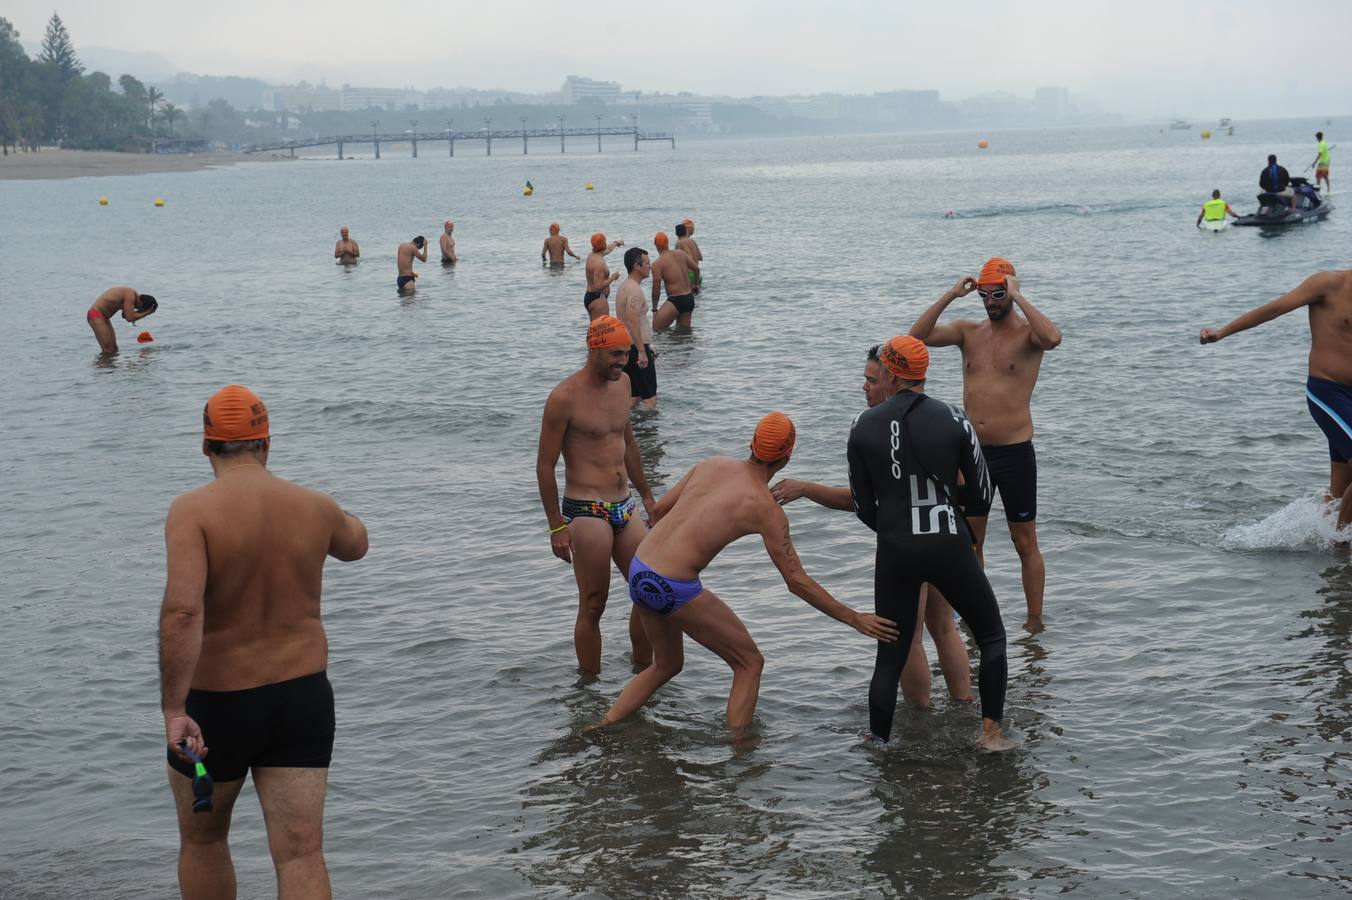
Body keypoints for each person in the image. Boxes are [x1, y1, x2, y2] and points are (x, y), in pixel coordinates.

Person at [160, 385, 369, 900]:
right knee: (301, 853)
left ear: (206, 446)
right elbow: (357, 544)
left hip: (218, 707)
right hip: (301, 698)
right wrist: (328, 515)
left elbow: (184, 612)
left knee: (205, 841)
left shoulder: (192, 511)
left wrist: (173, 708)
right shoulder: (313, 506)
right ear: (267, 443)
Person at [599, 412, 899, 733]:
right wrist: (854, 618)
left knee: (666, 665)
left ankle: (600, 728)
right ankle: (740, 759)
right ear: (787, 457)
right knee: (749, 663)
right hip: (673, 585)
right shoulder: (766, 509)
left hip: (640, 567)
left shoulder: (710, 464)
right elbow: (797, 581)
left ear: (751, 443)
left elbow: (657, 512)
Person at [771, 342, 973, 707]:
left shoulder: (879, 430)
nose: (864, 387)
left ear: (891, 381)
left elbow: (863, 503)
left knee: (907, 637)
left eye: (871, 380)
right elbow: (963, 483)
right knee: (944, 627)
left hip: (908, 545)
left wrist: (806, 488)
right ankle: (965, 705)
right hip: (945, 536)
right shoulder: (937, 419)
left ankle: (919, 718)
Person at [847, 336, 1016, 751]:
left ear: (889, 373)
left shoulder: (862, 426)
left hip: (895, 550)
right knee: (991, 636)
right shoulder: (954, 419)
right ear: (921, 374)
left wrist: (895, 529)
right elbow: (981, 490)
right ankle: (990, 735)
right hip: (947, 542)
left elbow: (861, 504)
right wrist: (946, 514)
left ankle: (878, 744)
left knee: (891, 653)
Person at [909, 259, 1062, 621]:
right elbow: (915, 338)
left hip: (1015, 453)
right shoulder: (968, 332)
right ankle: (977, 617)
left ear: (1008, 291)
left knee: (1024, 541)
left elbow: (1054, 338)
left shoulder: (1029, 336)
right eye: (984, 295)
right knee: (970, 541)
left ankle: (1034, 622)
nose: (990, 302)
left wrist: (1019, 296)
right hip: (972, 453)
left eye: (997, 294)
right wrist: (950, 294)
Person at [537, 316, 658, 674]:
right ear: (594, 349)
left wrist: (649, 497)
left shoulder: (623, 386)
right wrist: (556, 527)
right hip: (585, 508)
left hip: (625, 505)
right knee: (594, 604)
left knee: (650, 591)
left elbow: (629, 444)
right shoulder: (564, 398)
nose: (623, 362)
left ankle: (643, 676)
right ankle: (588, 689)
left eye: (626, 354)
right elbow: (545, 466)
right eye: (616, 355)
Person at [1200, 270, 1352, 534]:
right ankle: (1342, 546)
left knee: (1340, 485)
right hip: (1328, 392)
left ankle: (1331, 556)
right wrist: (1222, 332)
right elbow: (1275, 309)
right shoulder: (1329, 284)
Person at [615, 247, 657, 410]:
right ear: (636, 266)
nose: (650, 266)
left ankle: (629, 431)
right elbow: (632, 320)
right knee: (650, 399)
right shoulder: (634, 290)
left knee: (634, 397)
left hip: (628, 347)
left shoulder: (624, 286)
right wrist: (642, 351)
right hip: (636, 348)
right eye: (646, 263)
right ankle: (649, 435)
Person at [650, 232, 700, 332]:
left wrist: (655, 309)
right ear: (668, 243)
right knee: (684, 333)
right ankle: (681, 348)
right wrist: (695, 284)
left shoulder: (657, 264)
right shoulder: (680, 253)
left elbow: (656, 288)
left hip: (676, 299)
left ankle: (665, 348)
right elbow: (696, 269)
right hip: (689, 299)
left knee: (656, 328)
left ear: (655, 245)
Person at [87, 286, 156, 354]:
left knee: (114, 349)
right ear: (141, 303)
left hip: (104, 318)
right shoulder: (130, 295)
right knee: (108, 350)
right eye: (140, 309)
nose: (138, 310)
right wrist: (147, 313)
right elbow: (129, 318)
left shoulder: (132, 297)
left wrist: (143, 313)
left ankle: (109, 365)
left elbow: (124, 315)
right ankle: (101, 365)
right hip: (96, 315)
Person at [584, 232, 624, 320]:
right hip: (598, 299)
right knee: (601, 332)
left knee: (594, 331)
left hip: (590, 297)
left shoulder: (591, 256)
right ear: (604, 244)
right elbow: (598, 286)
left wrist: (616, 243)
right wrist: (613, 278)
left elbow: (606, 250)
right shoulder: (600, 263)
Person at [675, 221, 702, 295]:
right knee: (695, 301)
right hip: (697, 276)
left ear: (676, 233)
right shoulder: (692, 242)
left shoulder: (680, 242)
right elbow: (700, 257)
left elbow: (689, 257)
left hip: (688, 275)